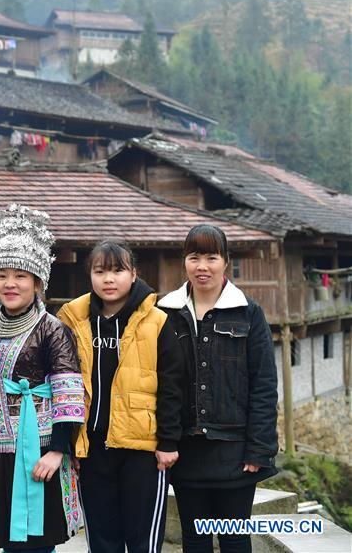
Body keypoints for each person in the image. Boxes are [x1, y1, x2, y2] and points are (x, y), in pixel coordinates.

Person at [158, 224, 278, 553]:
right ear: (184, 262)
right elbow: (160, 382)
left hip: (236, 450)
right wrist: (164, 440)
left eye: (211, 257)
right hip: (185, 449)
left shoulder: (250, 314)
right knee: (194, 539)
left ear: (226, 261)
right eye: (194, 257)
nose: (202, 266)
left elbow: (264, 385)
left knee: (235, 539)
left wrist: (258, 449)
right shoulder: (164, 313)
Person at [57, 239, 183, 553]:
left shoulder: (157, 321)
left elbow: (171, 385)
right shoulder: (73, 320)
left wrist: (168, 442)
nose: (108, 279)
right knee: (102, 539)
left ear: (134, 274)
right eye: (100, 271)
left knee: (142, 541)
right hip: (91, 446)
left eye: (117, 271)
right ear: (90, 275)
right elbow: (59, 381)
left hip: (141, 449)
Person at [0, 204, 85, 553]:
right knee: (7, 539)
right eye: (1, 275)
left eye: (20, 275)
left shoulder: (53, 330)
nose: (10, 284)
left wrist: (57, 451)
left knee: (37, 538)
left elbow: (69, 394)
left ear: (37, 282)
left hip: (40, 447)